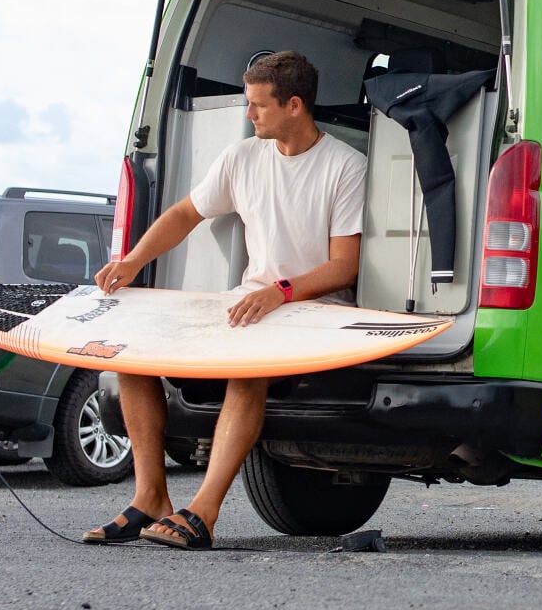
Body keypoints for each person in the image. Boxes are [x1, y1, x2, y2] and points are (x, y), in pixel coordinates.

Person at [81, 49, 365, 550]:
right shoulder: (242, 157)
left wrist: (280, 293)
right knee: (135, 356)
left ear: (294, 106)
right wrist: (132, 261)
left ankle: (203, 513)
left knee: (245, 366)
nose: (249, 114)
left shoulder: (345, 166)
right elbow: (184, 215)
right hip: (252, 302)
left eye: (258, 105)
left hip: (316, 309)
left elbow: (344, 266)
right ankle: (150, 497)